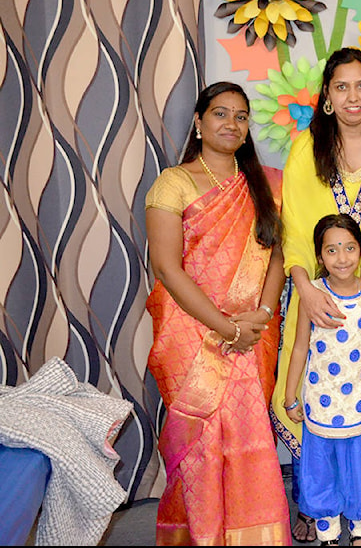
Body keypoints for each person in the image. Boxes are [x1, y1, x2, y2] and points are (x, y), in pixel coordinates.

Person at [145, 81, 290, 545]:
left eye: (241, 117)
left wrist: (262, 315)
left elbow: (277, 258)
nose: (231, 124)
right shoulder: (175, 182)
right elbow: (167, 267)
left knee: (250, 441)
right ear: (199, 122)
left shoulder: (268, 184)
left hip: (252, 332)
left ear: (248, 129)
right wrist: (225, 326)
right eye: (221, 114)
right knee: (203, 447)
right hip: (191, 334)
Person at [270, 47, 361, 543]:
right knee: (307, 390)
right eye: (340, 86)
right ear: (326, 96)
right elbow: (296, 228)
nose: (352, 96)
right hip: (315, 294)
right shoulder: (308, 148)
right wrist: (306, 289)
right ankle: (315, 502)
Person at [283, 213, 361, 547]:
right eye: (332, 250)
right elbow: (300, 347)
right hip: (320, 397)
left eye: (349, 248)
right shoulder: (313, 294)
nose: (342, 257)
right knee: (322, 466)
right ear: (320, 256)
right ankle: (328, 530)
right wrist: (290, 397)